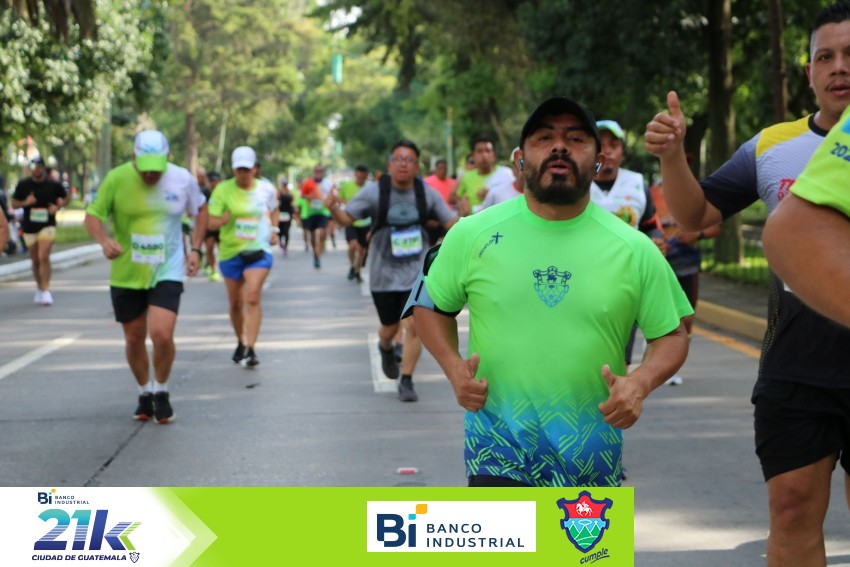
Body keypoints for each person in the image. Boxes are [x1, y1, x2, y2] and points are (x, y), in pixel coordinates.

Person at [643, 3, 850, 563]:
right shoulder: (771, 145)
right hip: (797, 366)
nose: (839, 67)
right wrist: (671, 157)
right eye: (825, 57)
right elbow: (694, 216)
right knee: (791, 511)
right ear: (808, 72)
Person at [407, 97, 691, 487]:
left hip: (590, 460)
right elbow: (430, 306)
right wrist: (453, 368)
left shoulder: (633, 248)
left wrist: (640, 383)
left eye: (575, 139)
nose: (559, 146)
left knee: (579, 533)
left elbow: (672, 334)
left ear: (598, 161)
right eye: (544, 138)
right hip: (497, 453)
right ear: (520, 160)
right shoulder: (472, 234)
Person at [84, 130, 207, 424]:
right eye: (145, 167)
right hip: (127, 271)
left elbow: (201, 210)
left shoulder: (182, 179)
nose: (151, 174)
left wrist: (196, 249)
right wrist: (104, 240)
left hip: (167, 268)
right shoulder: (116, 178)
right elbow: (92, 215)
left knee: (162, 334)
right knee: (134, 338)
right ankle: (144, 391)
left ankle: (161, 390)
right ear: (134, 158)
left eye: (157, 167)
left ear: (167, 158)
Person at [325, 140, 457, 402]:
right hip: (383, 274)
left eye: (409, 160)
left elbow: (451, 222)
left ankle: (406, 380)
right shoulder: (375, 192)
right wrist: (333, 208)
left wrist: (467, 221)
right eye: (398, 159)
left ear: (417, 166)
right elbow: (347, 219)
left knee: (415, 325)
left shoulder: (426, 193)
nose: (403, 164)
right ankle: (385, 346)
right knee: (389, 328)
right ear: (389, 164)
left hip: (416, 272)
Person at [591, 120, 665, 369]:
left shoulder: (636, 184)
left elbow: (650, 224)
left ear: (622, 151)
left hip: (625, 281)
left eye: (614, 145)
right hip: (583, 279)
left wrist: (655, 240)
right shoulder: (574, 184)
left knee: (619, 357)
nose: (608, 151)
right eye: (601, 144)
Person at [208, 146, 279, 367]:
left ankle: (251, 348)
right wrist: (222, 220)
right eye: (239, 169)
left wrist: (274, 230)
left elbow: (275, 208)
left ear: (255, 168)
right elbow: (211, 222)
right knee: (236, 303)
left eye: (247, 169)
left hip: (258, 250)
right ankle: (241, 340)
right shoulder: (222, 190)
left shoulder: (266, 189)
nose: (243, 173)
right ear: (233, 169)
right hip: (231, 252)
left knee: (253, 297)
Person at [650, 177, 720, 385]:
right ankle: (658, 362)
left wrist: (697, 234)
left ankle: (675, 363)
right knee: (658, 318)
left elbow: (714, 227)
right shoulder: (648, 193)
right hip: (658, 265)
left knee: (686, 318)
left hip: (687, 264)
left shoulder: (694, 192)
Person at [11, 156, 69, 305]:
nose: (36, 169)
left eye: (39, 166)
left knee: (44, 255)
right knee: (35, 259)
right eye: (33, 167)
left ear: (43, 168)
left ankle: (46, 289)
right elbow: (14, 203)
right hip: (30, 227)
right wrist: (26, 202)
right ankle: (40, 287)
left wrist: (58, 207)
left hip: (47, 224)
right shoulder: (24, 185)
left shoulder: (53, 185)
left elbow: (67, 197)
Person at [452, 136, 515, 216]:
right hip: (475, 222)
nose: (484, 155)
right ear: (473, 156)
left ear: (494, 155)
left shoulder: (507, 174)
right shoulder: (467, 176)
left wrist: (491, 196)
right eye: (479, 151)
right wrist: (462, 208)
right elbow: (456, 198)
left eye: (488, 151)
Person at [337, 165, 371, 282]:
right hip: (350, 221)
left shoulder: (370, 187)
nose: (360, 179)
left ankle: (358, 271)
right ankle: (352, 265)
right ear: (355, 175)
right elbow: (339, 199)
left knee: (361, 250)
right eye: (358, 177)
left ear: (366, 177)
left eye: (363, 178)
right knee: (353, 245)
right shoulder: (347, 185)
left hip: (365, 222)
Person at [299, 164, 334, 268]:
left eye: (320, 171)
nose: (318, 173)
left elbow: (332, 196)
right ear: (314, 172)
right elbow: (302, 195)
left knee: (323, 232)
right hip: (311, 212)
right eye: (317, 171)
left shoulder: (328, 183)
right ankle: (315, 254)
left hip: (323, 212)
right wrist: (309, 196)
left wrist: (329, 200)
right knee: (313, 236)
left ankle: (320, 251)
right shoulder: (308, 182)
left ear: (323, 172)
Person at [200, 170, 222, 281]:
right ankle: (213, 269)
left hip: (221, 225)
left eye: (215, 181)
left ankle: (225, 268)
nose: (213, 183)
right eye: (211, 181)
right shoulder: (204, 193)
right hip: (208, 226)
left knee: (222, 249)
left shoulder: (223, 193)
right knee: (209, 247)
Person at [277, 177, 294, 257]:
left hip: (288, 214)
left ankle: (285, 247)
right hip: (280, 214)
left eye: (285, 184)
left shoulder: (290, 194)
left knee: (286, 231)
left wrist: (293, 213)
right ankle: (280, 242)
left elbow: (292, 204)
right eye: (283, 184)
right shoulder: (279, 193)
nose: (284, 186)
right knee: (280, 231)